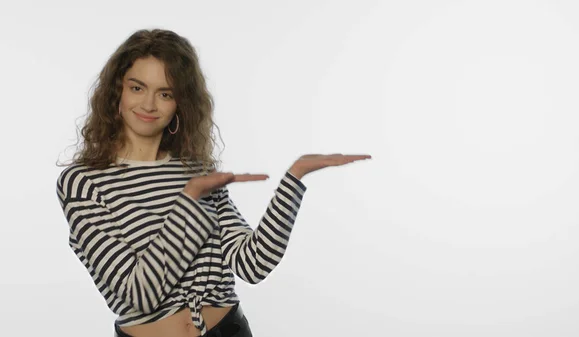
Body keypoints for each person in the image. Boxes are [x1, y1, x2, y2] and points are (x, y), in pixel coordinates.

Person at [55, 28, 371, 337]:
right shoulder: (83, 182)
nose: (149, 104)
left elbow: (253, 264)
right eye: (137, 88)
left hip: (229, 329)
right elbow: (138, 295)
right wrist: (189, 201)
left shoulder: (197, 171)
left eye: (165, 94)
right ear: (116, 93)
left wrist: (294, 178)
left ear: (180, 104)